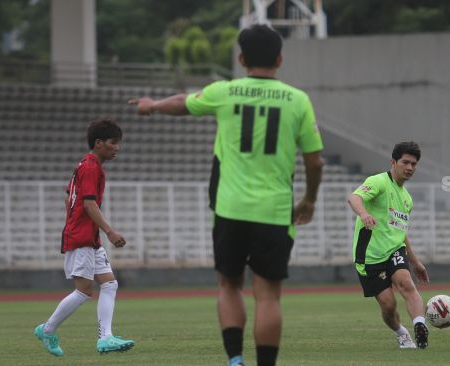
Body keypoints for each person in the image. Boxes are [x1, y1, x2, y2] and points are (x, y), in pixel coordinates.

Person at [128, 24, 324, 366]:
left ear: (241, 58)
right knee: (268, 296)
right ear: (279, 58)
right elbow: (315, 161)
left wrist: (152, 105)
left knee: (229, 285)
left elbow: (182, 103)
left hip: (230, 209)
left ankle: (235, 360)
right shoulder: (298, 100)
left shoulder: (225, 91)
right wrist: (309, 200)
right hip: (275, 212)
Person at [34, 118, 135, 356]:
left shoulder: (85, 165)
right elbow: (88, 203)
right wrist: (109, 231)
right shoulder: (90, 167)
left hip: (87, 236)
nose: (117, 147)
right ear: (99, 143)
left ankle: (106, 338)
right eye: (113, 143)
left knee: (109, 283)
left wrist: (75, 220)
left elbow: (69, 196)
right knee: (84, 291)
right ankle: (47, 329)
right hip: (81, 238)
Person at [347, 141, 430, 350]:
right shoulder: (378, 182)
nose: (410, 167)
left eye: (414, 164)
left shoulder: (407, 199)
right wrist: (364, 213)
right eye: (405, 162)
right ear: (393, 162)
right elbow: (354, 197)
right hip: (369, 256)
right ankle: (401, 333)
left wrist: (415, 261)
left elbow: (400, 234)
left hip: (393, 250)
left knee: (406, 283)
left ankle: (420, 326)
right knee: (388, 305)